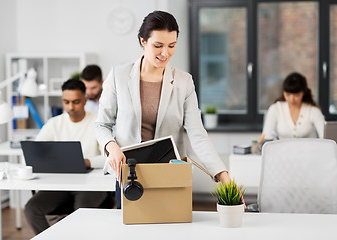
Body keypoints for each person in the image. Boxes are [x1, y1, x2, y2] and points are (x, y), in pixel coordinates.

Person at [95, 11, 232, 208]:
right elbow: (102, 124)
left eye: (172, 45)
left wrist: (222, 174)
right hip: (129, 172)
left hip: (169, 173)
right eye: (158, 46)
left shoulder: (184, 82)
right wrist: (112, 147)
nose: (165, 53)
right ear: (143, 41)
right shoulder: (119, 76)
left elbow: (197, 134)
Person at [24, 79, 113, 235]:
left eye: (76, 102)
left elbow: (109, 157)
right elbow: (37, 149)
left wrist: (86, 162)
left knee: (79, 214)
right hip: (61, 183)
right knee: (32, 209)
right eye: (66, 102)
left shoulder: (98, 122)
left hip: (91, 184)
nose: (71, 107)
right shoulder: (54, 123)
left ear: (85, 99)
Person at [262, 72, 325, 139]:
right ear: (283, 92)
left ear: (303, 93)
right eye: (288, 95)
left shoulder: (313, 111)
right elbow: (266, 136)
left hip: (307, 149)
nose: (292, 99)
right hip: (282, 149)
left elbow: (325, 136)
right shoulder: (275, 109)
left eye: (296, 95)